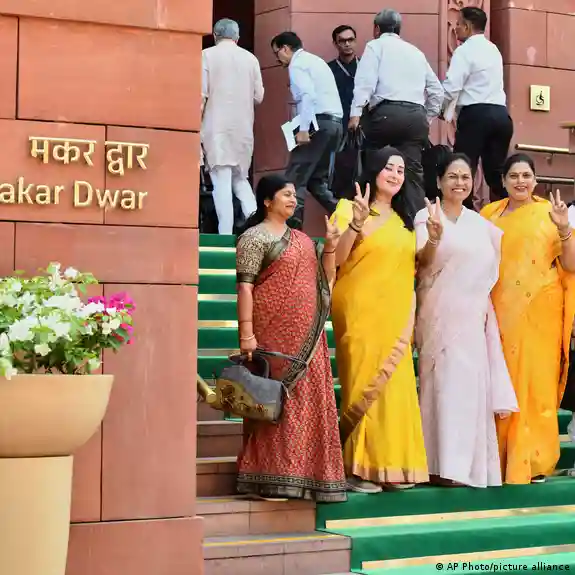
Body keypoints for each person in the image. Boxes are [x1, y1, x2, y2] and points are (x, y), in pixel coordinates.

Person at [235, 174, 347, 502]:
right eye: (285, 194)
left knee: (306, 401)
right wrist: (246, 334)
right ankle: (268, 478)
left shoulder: (303, 240)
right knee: (272, 401)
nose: (293, 200)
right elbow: (244, 288)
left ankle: (306, 476)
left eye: (294, 195)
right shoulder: (253, 238)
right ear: (267, 201)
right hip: (272, 335)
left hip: (307, 336)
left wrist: (330, 247)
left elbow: (325, 281)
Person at [415, 150, 518, 488]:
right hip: (437, 314)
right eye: (452, 177)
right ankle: (436, 465)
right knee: (441, 389)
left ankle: (465, 467)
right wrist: (433, 238)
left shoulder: (481, 225)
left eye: (465, 177)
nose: (459, 183)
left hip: (473, 318)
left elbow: (490, 271)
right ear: (439, 182)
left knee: (467, 390)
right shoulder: (425, 216)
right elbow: (422, 263)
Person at [330, 146, 427, 493]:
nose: (395, 175)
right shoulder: (348, 208)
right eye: (389, 168)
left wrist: (434, 240)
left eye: (400, 170)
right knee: (362, 385)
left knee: (395, 389)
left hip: (396, 313)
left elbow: (417, 267)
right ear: (373, 170)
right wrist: (356, 223)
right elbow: (336, 258)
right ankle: (358, 469)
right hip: (358, 311)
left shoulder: (406, 220)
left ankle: (393, 466)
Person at [481, 153, 575, 484]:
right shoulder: (488, 216)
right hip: (500, 312)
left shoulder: (550, 214)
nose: (520, 181)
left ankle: (535, 461)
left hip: (540, 314)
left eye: (526, 175)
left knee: (536, 385)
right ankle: (499, 457)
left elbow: (571, 265)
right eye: (514, 176)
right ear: (503, 181)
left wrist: (564, 229)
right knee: (502, 382)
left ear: (535, 180)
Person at [348, 9, 443, 212]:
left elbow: (365, 83)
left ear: (376, 29)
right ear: (399, 29)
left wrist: (355, 113)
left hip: (385, 115)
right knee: (412, 174)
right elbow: (437, 91)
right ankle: (416, 223)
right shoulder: (416, 52)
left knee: (375, 166)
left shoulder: (375, 46)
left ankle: (369, 217)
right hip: (415, 117)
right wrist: (426, 118)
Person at [442, 7, 513, 208]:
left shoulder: (464, 51)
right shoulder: (494, 50)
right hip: (501, 116)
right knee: (496, 174)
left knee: (463, 170)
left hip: (476, 116)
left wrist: (440, 110)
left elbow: (452, 87)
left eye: (458, 24)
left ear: (467, 26)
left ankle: (463, 215)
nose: (455, 28)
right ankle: (514, 210)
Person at [271, 32, 343, 229]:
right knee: (316, 182)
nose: (277, 59)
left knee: (294, 180)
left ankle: (292, 234)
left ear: (285, 48)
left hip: (317, 124)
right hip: (334, 125)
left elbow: (307, 96)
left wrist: (303, 129)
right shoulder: (315, 61)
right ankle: (350, 216)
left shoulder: (297, 65)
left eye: (277, 53)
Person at [201, 18, 263, 234]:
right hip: (243, 129)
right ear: (237, 37)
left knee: (221, 181)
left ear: (215, 35)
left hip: (216, 127)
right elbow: (259, 96)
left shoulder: (207, 55)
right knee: (240, 179)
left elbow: (201, 95)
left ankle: (225, 234)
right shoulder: (251, 59)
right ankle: (260, 229)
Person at [328, 25, 359, 129]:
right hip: (338, 124)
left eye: (350, 40)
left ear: (355, 41)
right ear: (335, 44)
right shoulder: (328, 69)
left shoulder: (366, 66)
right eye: (342, 41)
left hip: (364, 123)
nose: (347, 44)